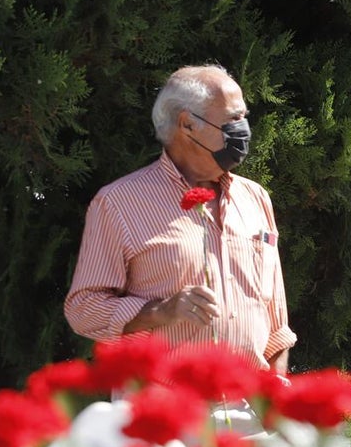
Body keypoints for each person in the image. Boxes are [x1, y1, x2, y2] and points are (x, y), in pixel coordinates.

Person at [65, 64, 296, 407]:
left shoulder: (256, 198)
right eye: (232, 120)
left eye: (244, 117)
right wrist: (161, 311)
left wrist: (276, 390)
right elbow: (83, 309)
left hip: (249, 410)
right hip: (161, 410)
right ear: (188, 125)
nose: (243, 130)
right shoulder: (118, 203)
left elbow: (276, 317)